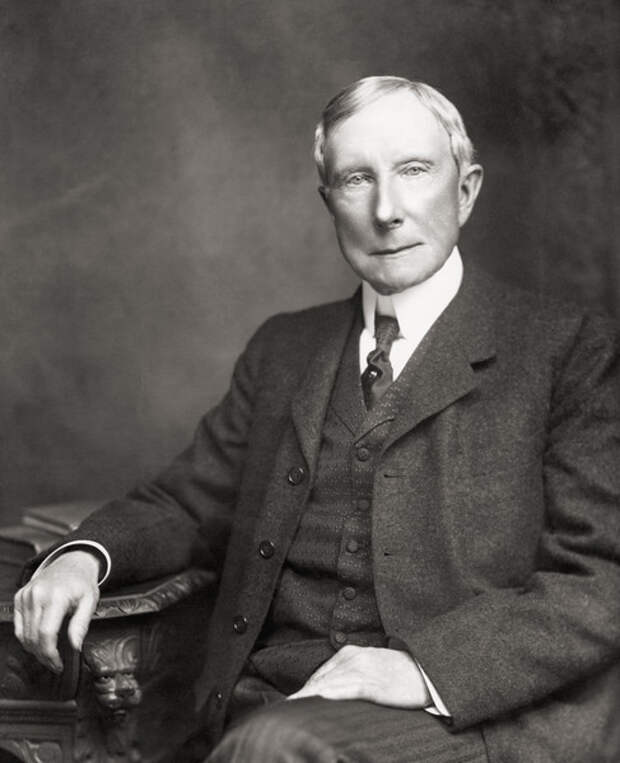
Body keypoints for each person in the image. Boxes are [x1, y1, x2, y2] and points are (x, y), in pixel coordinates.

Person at [13, 76, 620, 762]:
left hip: (466, 721)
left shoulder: (569, 349)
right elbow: (187, 505)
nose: (386, 210)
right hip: (263, 706)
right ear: (329, 200)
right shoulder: (284, 350)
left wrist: (423, 669)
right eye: (357, 179)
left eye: (414, 171)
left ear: (466, 190)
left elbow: (601, 576)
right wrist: (81, 557)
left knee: (276, 748)